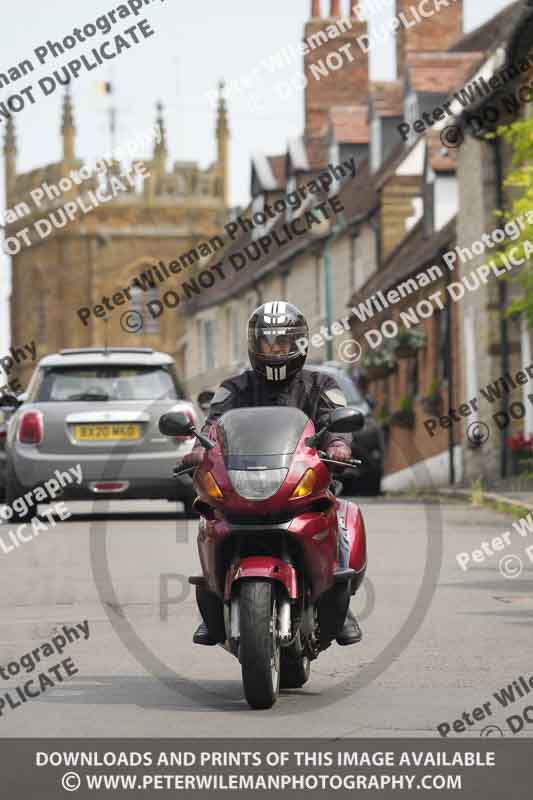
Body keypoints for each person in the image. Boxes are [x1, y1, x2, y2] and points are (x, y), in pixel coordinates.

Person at [184, 301, 362, 647]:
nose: (275, 350)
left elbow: (337, 418)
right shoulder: (235, 388)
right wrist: (199, 448)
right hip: (243, 484)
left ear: (298, 345)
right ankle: (212, 588)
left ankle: (340, 597)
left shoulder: (321, 384)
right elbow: (214, 422)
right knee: (209, 520)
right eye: (267, 343)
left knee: (337, 517)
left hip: (302, 484)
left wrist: (339, 443)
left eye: (282, 343)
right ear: (255, 346)